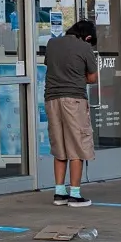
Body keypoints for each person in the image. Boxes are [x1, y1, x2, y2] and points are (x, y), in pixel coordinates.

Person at [42, 18, 99, 206]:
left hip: (52, 99)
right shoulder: (85, 47)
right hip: (74, 99)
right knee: (77, 146)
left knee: (59, 146)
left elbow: (49, 66)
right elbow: (92, 78)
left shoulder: (52, 43)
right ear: (88, 37)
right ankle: (75, 194)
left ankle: (59, 192)